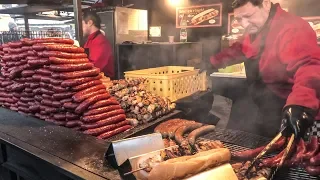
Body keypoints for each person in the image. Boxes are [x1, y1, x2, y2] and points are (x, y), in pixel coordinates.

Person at [209, 0, 320, 138]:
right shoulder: (256, 29)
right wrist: (212, 62)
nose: (244, 24)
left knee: (302, 155)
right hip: (271, 105)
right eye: (239, 19)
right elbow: (240, 49)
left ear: (266, 4)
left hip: (298, 109)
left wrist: (300, 105)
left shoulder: (291, 28)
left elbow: (309, 67)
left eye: (249, 16)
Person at [82, 11, 115, 78]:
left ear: (90, 23)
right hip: (93, 80)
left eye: (82, 24)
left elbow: (95, 66)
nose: (80, 28)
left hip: (104, 82)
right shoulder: (89, 40)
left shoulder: (101, 41)